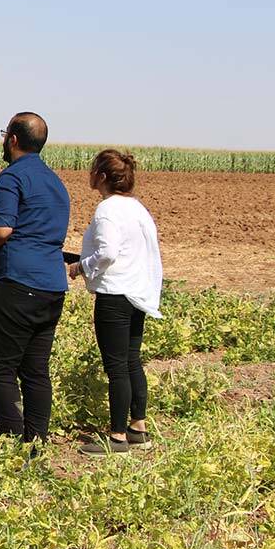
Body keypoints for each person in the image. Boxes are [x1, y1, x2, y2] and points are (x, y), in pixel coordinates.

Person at [0, 112, 70, 444]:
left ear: (12, 139)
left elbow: (2, 229)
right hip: (53, 286)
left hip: (17, 284)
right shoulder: (57, 183)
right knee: (35, 370)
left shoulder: (11, 178)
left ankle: (11, 441)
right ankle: (36, 442)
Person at [69, 149, 163, 456]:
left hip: (114, 295)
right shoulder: (138, 209)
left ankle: (117, 437)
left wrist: (81, 266)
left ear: (103, 177)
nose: (90, 174)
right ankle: (139, 427)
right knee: (132, 360)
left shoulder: (108, 209)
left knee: (116, 367)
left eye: (93, 169)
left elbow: (108, 253)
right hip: (136, 293)